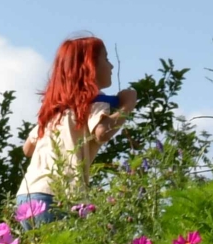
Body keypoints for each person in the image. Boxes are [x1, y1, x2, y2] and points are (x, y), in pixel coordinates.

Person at [15, 36, 135, 223]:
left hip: (27, 195)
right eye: (106, 59)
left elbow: (27, 149)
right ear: (90, 67)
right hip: (59, 197)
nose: (111, 66)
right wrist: (127, 105)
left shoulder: (54, 111)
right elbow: (102, 132)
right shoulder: (94, 101)